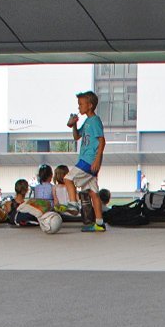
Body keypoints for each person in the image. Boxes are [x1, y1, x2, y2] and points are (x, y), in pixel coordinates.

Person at [67, 90, 106, 232]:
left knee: (68, 178)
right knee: (93, 193)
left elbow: (102, 141)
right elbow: (77, 137)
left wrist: (97, 160)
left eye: (81, 104)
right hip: (88, 159)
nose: (79, 107)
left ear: (89, 105)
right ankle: (99, 223)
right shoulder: (88, 121)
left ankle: (73, 204)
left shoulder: (95, 121)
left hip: (88, 160)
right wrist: (74, 125)